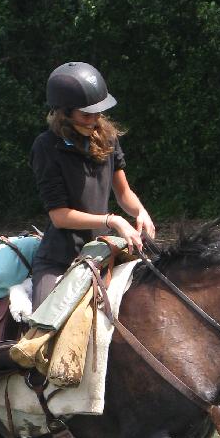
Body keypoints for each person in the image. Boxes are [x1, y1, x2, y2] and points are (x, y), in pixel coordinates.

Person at [30, 61, 155, 305]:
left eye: (98, 112)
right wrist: (113, 220)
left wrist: (140, 212)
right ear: (64, 113)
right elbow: (60, 216)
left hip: (103, 251)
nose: (94, 119)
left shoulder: (108, 138)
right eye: (86, 114)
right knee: (44, 328)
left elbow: (124, 193)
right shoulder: (45, 147)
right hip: (61, 258)